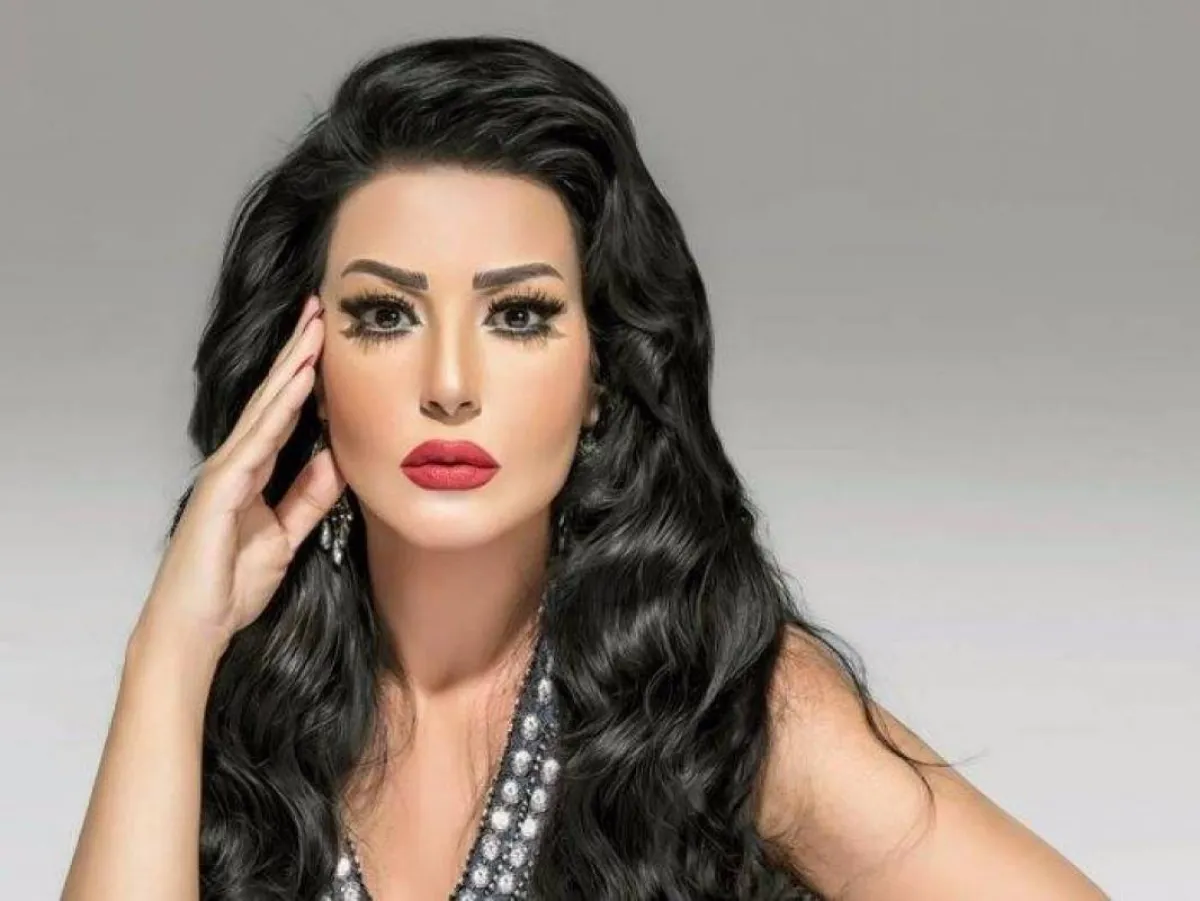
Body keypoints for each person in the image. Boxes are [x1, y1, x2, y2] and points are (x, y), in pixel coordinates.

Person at [61, 34, 1110, 901]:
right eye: (386, 315)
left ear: (600, 374)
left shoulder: (713, 698)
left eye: (519, 316)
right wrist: (172, 644)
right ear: (311, 371)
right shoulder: (235, 695)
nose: (450, 384)